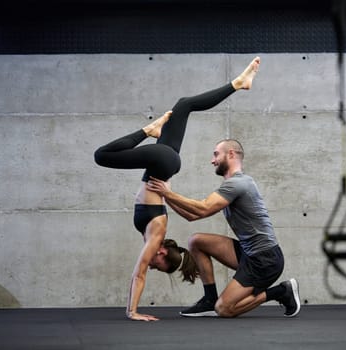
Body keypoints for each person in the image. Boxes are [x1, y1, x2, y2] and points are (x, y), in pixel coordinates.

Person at [94, 57, 261, 321]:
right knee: (102, 156)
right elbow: (139, 273)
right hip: (163, 161)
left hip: (165, 161)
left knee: (185, 105)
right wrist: (132, 311)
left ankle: (239, 83)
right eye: (159, 266)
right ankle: (236, 84)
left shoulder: (152, 235)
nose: (153, 266)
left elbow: (143, 267)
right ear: (162, 254)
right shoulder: (155, 236)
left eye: (156, 268)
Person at [146, 139, 301, 318]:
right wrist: (165, 196)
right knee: (196, 241)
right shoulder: (232, 185)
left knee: (224, 309)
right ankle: (209, 300)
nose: (213, 160)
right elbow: (192, 216)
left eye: (216, 154)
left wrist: (167, 193)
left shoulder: (239, 183)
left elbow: (202, 208)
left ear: (231, 154)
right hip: (248, 253)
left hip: (265, 260)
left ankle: (281, 291)